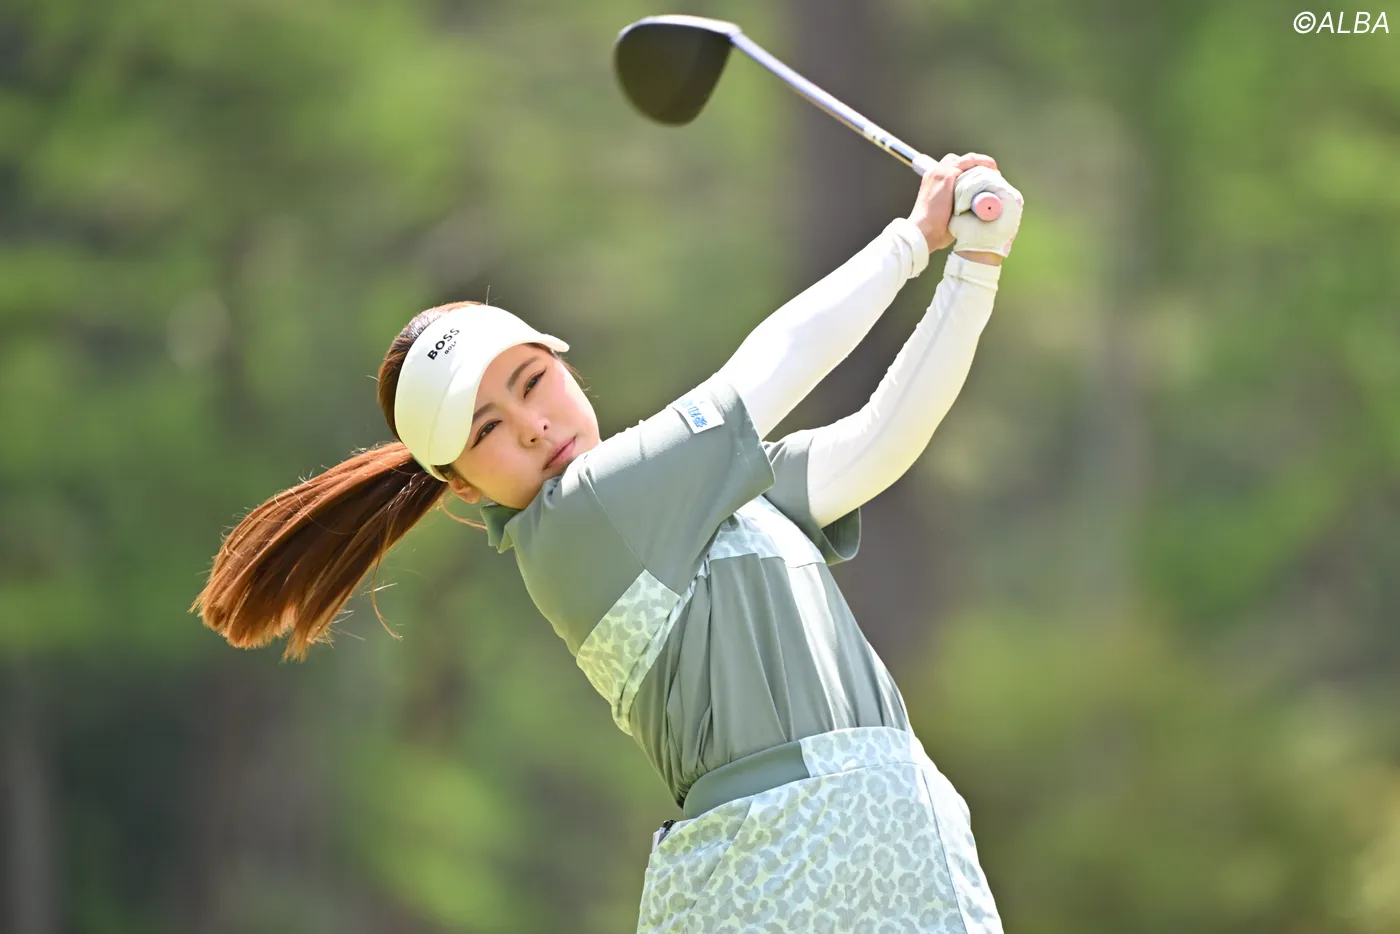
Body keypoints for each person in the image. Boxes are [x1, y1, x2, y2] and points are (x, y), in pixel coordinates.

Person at [193, 151, 1024, 932]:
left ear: (562, 362)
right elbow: (771, 369)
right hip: (773, 869)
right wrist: (914, 239)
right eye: (487, 430)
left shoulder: (696, 488)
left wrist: (974, 269)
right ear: (463, 486)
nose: (532, 425)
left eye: (531, 382)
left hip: (900, 843)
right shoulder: (580, 519)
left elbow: (875, 446)